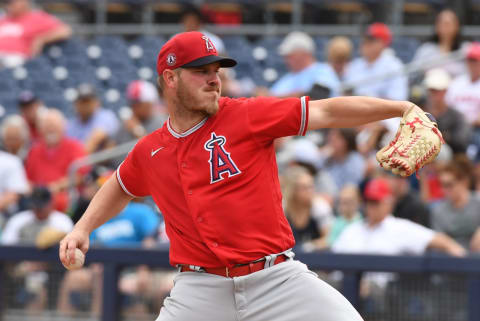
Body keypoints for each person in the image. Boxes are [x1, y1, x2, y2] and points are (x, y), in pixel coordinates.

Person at [59, 31, 434, 321]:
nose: (214, 79)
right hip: (199, 288)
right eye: (201, 71)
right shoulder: (150, 150)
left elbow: (328, 113)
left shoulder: (245, 115)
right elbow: (120, 186)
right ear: (170, 79)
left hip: (275, 278)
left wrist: (399, 107)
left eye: (216, 71)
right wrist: (81, 228)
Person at [25, 108, 88, 211]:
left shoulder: (75, 146)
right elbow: (28, 179)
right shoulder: (34, 150)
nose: (51, 130)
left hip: (66, 199)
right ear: (40, 130)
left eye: (54, 126)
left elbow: (80, 176)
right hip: (37, 201)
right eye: (47, 127)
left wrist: (54, 188)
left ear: (63, 128)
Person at [0, 0, 72, 68]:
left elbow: (65, 31)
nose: (8, 5)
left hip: (18, 59)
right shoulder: (3, 19)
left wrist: (41, 39)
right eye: (6, 2)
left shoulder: (37, 17)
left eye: (12, 2)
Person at [269, 31, 340, 98]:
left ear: (303, 54)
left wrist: (275, 97)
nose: (286, 60)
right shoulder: (287, 77)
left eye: (290, 56)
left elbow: (319, 95)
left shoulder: (323, 70)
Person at [431, 156, 480, 250]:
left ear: (464, 182)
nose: (444, 190)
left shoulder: (478, 202)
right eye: (442, 185)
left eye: (449, 185)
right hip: (451, 259)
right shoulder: (438, 210)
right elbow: (439, 242)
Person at [281, 166, 331, 252]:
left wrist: (309, 247)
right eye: (304, 188)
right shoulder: (283, 209)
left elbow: (329, 239)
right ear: (292, 190)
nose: (310, 191)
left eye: (311, 187)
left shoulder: (320, 207)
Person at [423, 68, 471, 154]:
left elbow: (461, 143)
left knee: (443, 152)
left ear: (445, 91)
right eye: (431, 90)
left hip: (450, 159)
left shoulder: (456, 116)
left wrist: (441, 136)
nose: (433, 94)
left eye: (436, 90)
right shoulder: (420, 112)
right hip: (422, 155)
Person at [445, 42, 480, 158]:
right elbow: (447, 106)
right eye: (470, 60)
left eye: (475, 61)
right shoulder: (457, 82)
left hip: (474, 128)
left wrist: (468, 122)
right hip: (454, 125)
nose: (472, 64)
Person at [411, 8, 467, 79]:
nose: (445, 27)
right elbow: (413, 73)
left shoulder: (466, 50)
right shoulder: (426, 50)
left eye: (448, 24)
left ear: (457, 26)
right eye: (441, 23)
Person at [66, 83, 120, 153]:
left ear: (96, 102)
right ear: (76, 104)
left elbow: (94, 141)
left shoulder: (106, 116)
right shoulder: (70, 125)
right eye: (82, 102)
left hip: (102, 162)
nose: (86, 105)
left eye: (88, 101)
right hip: (79, 161)